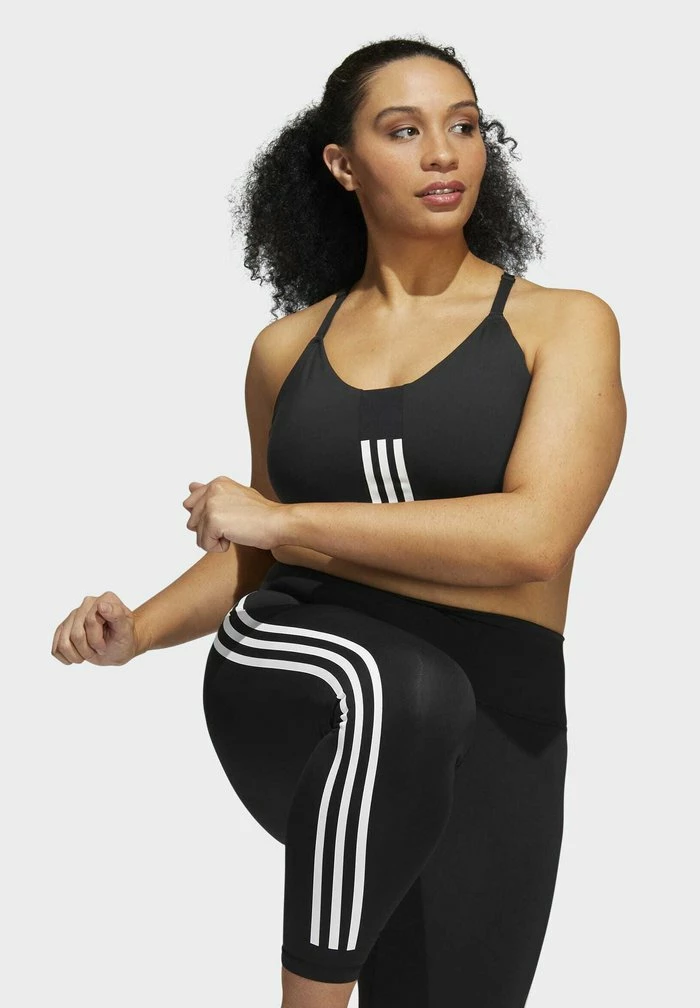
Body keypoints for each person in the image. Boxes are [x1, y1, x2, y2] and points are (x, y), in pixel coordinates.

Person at [51, 37, 627, 1008]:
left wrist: (283, 520)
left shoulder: (561, 325)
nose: (442, 153)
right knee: (400, 688)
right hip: (307, 666)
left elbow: (533, 541)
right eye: (403, 131)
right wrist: (138, 630)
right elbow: (255, 560)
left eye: (464, 125)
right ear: (342, 163)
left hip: (504, 715)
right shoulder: (287, 350)